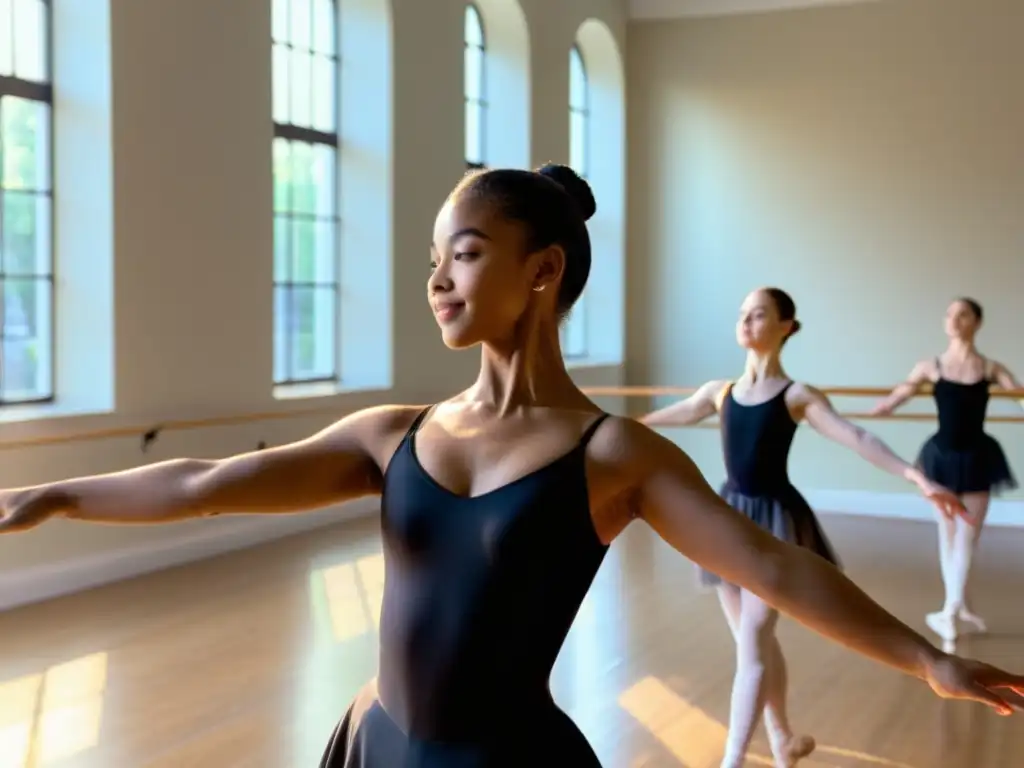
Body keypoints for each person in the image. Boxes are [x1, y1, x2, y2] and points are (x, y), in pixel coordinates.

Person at [1, 169, 1021, 768]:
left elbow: (778, 567)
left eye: (468, 251)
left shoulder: (612, 454)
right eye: (436, 256)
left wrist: (927, 658)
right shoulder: (389, 436)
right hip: (374, 744)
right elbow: (203, 483)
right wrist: (51, 495)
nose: (438, 276)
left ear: (544, 269)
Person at [639, 286, 973, 768]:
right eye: (742, 315)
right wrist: (616, 425)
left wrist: (917, 476)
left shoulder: (796, 395)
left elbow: (855, 436)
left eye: (759, 315)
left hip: (776, 525)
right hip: (728, 519)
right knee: (752, 643)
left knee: (753, 643)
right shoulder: (720, 392)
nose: (747, 322)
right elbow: (670, 415)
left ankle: (732, 759)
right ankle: (784, 740)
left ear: (786, 327)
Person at [871, 297, 1021, 646]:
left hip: (978, 456)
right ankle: (954, 607)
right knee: (949, 535)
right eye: (950, 314)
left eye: (962, 314)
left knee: (967, 537)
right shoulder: (931, 366)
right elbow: (899, 395)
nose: (954, 320)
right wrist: (883, 408)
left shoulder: (989, 368)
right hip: (940, 457)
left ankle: (952, 609)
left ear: (976, 322)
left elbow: (1019, 394)